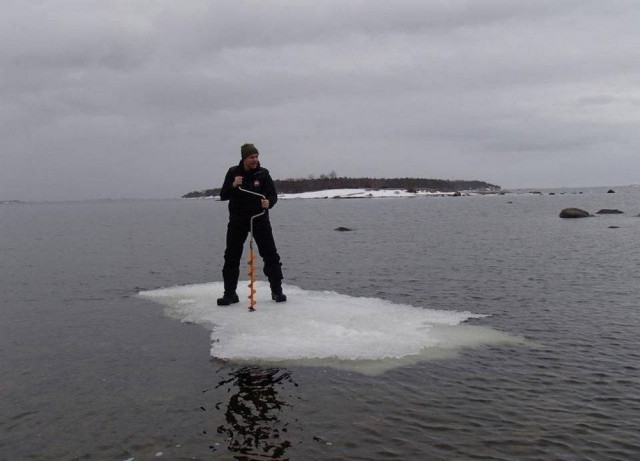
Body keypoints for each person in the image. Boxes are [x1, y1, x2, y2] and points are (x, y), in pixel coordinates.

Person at [217, 143, 286, 306]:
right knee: (231, 256)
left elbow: (273, 196)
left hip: (259, 219)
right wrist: (234, 185)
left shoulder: (263, 174)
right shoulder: (233, 172)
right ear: (244, 158)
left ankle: (277, 291)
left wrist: (268, 203)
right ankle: (230, 294)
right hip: (238, 220)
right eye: (251, 157)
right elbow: (223, 195)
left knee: (271, 255)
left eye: (256, 156)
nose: (255, 160)